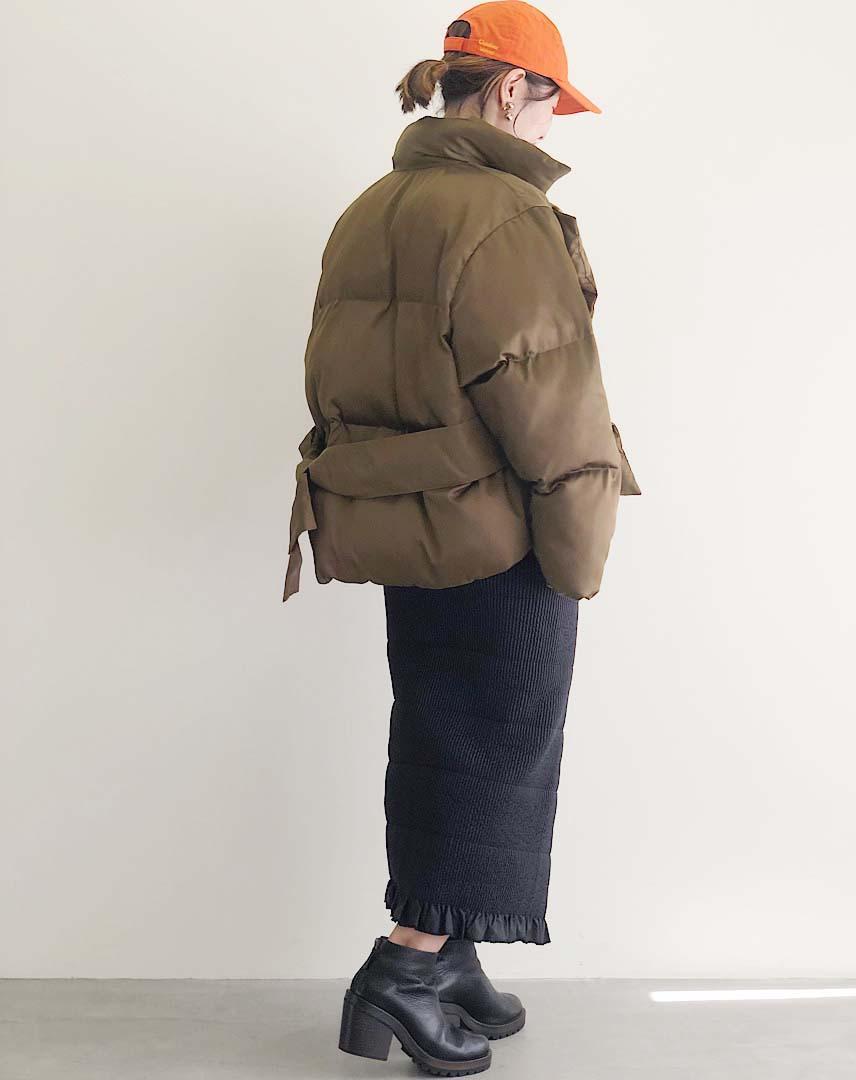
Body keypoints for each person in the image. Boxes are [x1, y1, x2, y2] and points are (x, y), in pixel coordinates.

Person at [283, 2, 640, 1073]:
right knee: (498, 737)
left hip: (415, 523)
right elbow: (548, 397)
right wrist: (577, 546)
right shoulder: (504, 212)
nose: (550, 129)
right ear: (509, 90)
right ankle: (404, 966)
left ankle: (451, 956)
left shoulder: (373, 205)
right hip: (497, 530)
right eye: (549, 104)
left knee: (442, 726)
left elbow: (340, 375)